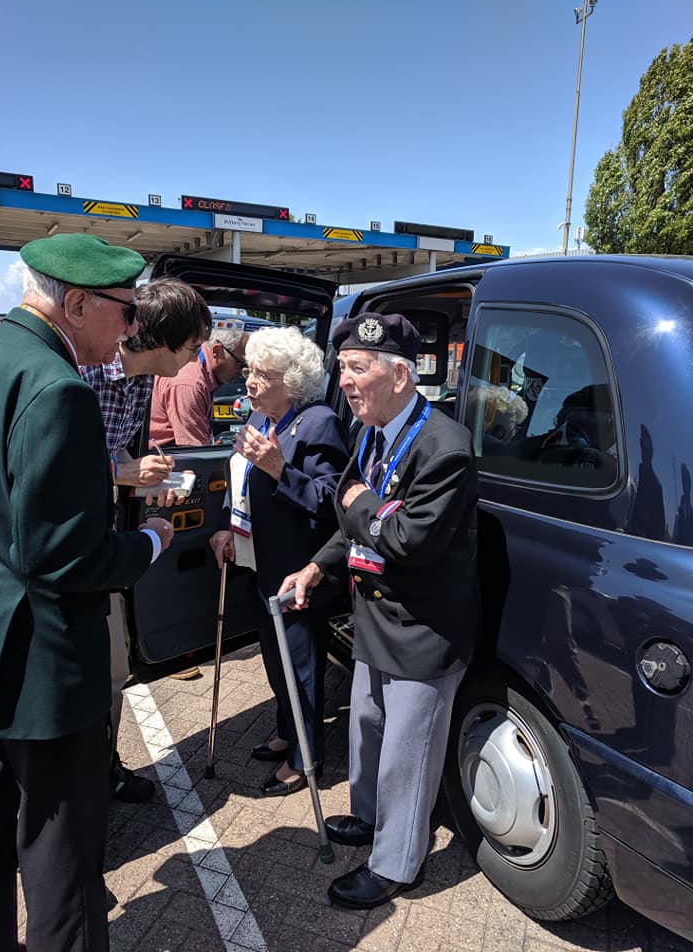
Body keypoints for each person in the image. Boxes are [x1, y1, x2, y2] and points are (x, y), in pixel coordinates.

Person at [0, 233, 175, 952]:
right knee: (62, 866)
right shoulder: (58, 389)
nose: (129, 329)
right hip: (46, 674)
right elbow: (64, 559)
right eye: (124, 311)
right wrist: (150, 541)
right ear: (79, 301)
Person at [278, 312, 478, 909]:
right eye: (341, 368)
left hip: (422, 627)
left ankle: (396, 864)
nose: (344, 382)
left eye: (356, 369)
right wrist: (318, 565)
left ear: (399, 374)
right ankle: (368, 820)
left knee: (406, 755)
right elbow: (353, 522)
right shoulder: (369, 429)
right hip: (375, 616)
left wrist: (363, 502)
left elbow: (409, 540)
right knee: (366, 730)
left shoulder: (445, 447)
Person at [80, 277, 212, 801]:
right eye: (193, 347)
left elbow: (116, 459)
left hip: (107, 538)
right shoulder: (84, 372)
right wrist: (123, 472)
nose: (196, 359)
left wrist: (141, 474)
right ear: (163, 343)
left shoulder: (140, 382)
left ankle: (101, 765)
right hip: (71, 549)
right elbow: (56, 461)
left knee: (114, 669)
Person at [209, 327, 348, 795]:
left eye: (262, 374)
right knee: (275, 658)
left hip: (297, 569)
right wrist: (229, 524)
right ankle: (287, 731)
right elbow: (243, 483)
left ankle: (306, 757)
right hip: (260, 561)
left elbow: (332, 502)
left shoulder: (318, 422)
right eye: (249, 370)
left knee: (301, 665)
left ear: (290, 380)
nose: (249, 381)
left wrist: (280, 470)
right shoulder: (264, 420)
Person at [148, 325, 248, 446]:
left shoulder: (202, 373)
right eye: (239, 364)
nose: (241, 372)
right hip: (166, 456)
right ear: (217, 351)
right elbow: (192, 449)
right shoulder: (190, 383)